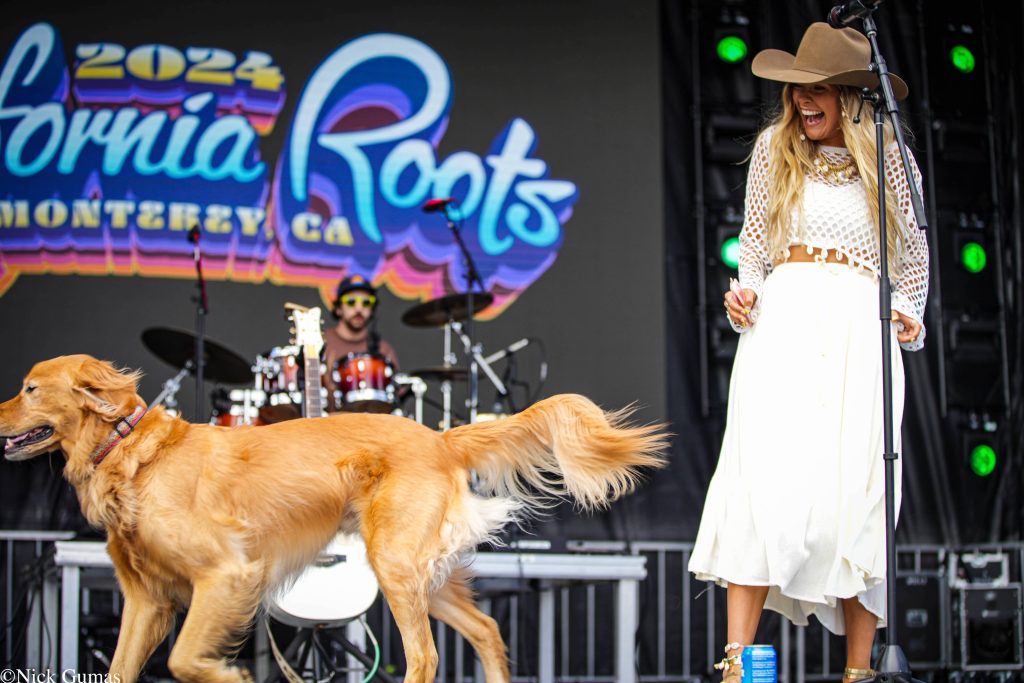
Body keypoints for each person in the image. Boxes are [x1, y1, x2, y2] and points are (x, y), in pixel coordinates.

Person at [687, 23, 929, 683]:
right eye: (797, 90)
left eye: (817, 89)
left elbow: (913, 260)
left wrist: (909, 312)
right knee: (761, 483)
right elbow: (753, 247)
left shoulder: (890, 159)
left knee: (856, 495)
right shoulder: (775, 148)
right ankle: (737, 665)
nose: (802, 101)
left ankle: (859, 671)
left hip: (858, 329)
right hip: (785, 322)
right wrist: (747, 293)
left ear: (851, 96)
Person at [324, 274, 400, 412]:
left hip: (373, 423)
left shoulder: (383, 350)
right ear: (338, 308)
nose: (359, 308)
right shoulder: (320, 343)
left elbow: (394, 399)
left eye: (366, 302)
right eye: (351, 301)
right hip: (329, 422)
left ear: (372, 309)